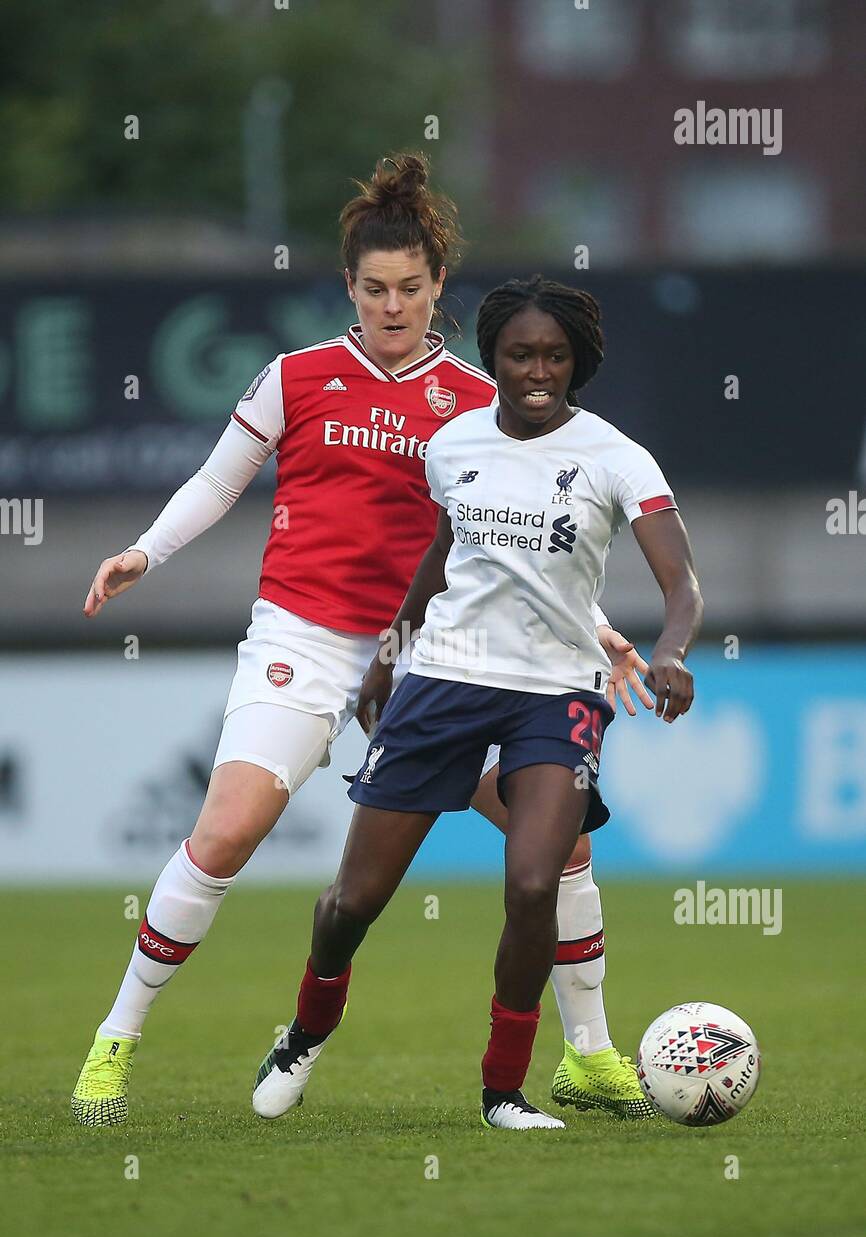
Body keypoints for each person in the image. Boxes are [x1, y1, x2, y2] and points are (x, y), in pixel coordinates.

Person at [70, 155, 646, 1127]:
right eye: (374, 289)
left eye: (410, 289)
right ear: (348, 286)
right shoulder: (296, 378)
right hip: (301, 635)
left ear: (436, 290)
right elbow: (216, 481)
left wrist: (599, 628)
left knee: (553, 837)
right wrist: (143, 551)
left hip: (438, 657)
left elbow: (524, 545)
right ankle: (114, 1041)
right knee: (225, 832)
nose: (391, 306)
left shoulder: (476, 401)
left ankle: (586, 1055)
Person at [251, 274, 702, 1130]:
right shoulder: (453, 445)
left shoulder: (617, 456)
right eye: (521, 354)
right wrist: (390, 648)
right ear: (491, 358)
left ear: (581, 361)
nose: (539, 371)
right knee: (354, 902)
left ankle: (504, 1091)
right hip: (445, 684)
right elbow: (444, 551)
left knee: (536, 881)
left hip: (557, 694)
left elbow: (682, 586)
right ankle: (307, 1030)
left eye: (556, 355)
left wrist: (672, 653)